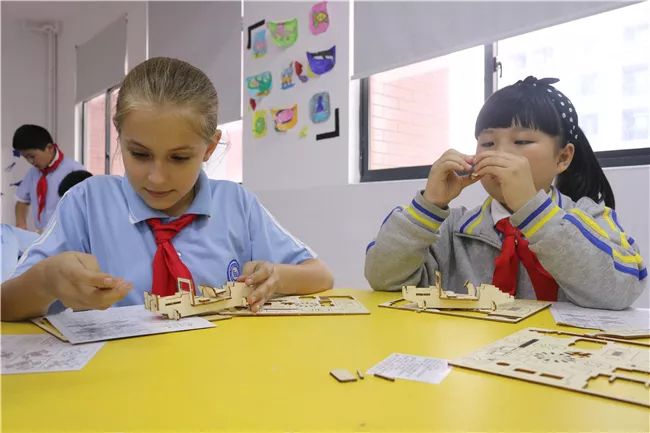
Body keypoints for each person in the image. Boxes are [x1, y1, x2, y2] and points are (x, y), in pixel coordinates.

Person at [1, 57, 333, 321]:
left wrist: (277, 276)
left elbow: (320, 275)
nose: (157, 178)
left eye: (179, 157)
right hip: (116, 387)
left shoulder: (236, 204)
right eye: (140, 154)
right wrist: (45, 280)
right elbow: (6, 304)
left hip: (217, 382)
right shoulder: (87, 203)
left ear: (209, 148)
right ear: (119, 137)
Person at [365, 76, 646, 310]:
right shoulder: (450, 228)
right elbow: (383, 279)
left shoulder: (590, 216)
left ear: (562, 158)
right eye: (488, 142)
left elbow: (621, 291)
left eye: (522, 141)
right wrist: (429, 205)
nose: (500, 153)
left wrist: (533, 210)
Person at [13, 124, 86, 232]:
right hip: (41, 234)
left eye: (32, 156)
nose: (30, 162)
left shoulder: (75, 171)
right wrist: (21, 225)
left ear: (49, 148)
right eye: (26, 158)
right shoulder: (33, 173)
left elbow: (82, 211)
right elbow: (21, 200)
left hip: (66, 235)